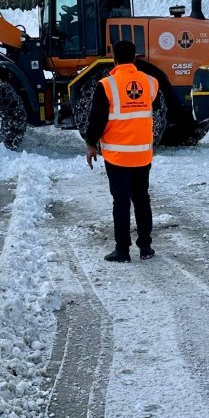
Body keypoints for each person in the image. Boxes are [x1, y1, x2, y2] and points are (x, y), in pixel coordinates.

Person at [84, 40, 161, 262]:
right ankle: (146, 247)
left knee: (121, 202)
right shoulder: (150, 82)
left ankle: (122, 250)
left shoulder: (106, 85)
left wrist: (91, 143)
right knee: (142, 199)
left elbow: (96, 120)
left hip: (117, 157)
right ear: (135, 59)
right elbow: (154, 106)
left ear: (114, 59)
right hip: (142, 155)